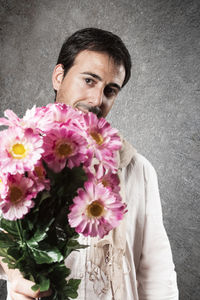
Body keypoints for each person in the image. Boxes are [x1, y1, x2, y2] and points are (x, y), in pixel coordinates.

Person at [0, 28, 179, 299]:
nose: (97, 100)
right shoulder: (12, 155)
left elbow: (157, 273)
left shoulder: (137, 170)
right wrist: (14, 270)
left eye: (110, 90)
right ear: (59, 76)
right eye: (89, 80)